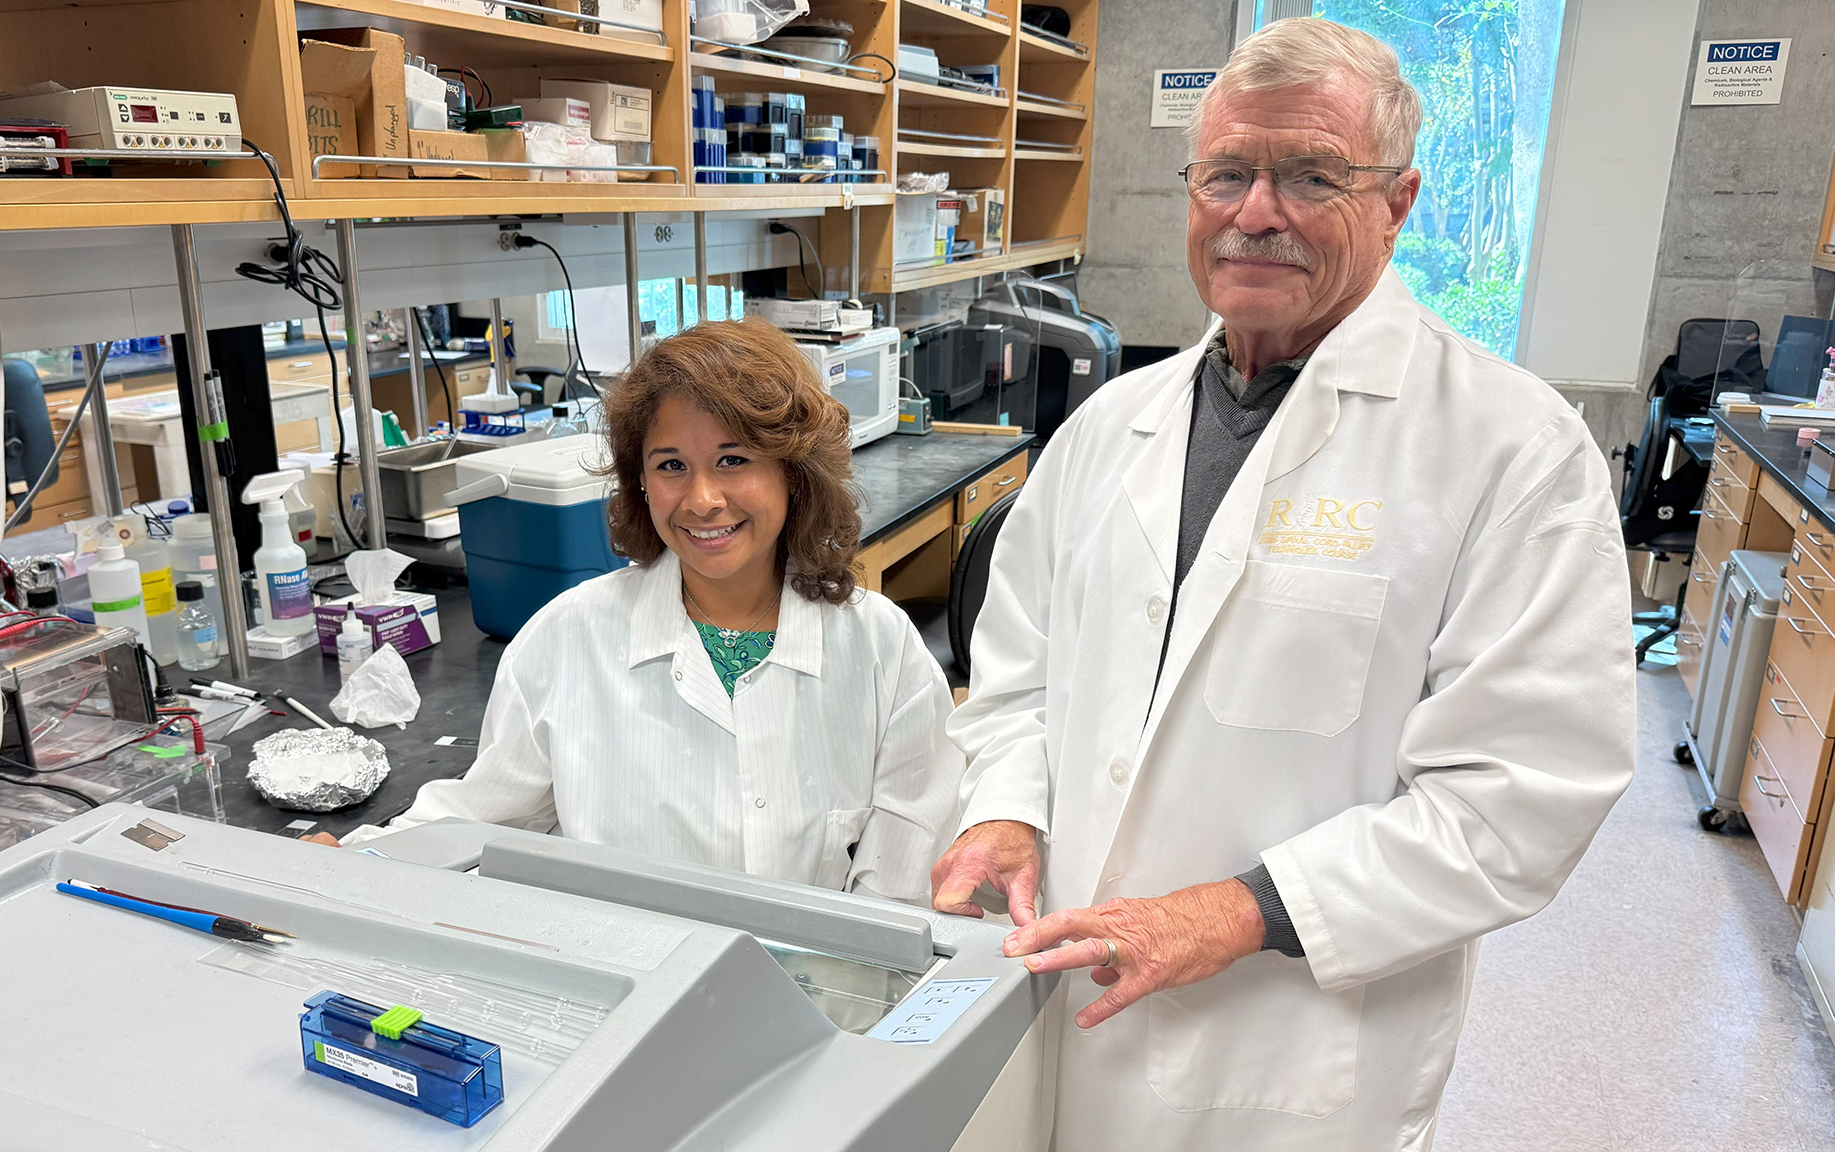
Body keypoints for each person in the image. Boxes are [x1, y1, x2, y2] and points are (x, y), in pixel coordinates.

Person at [928, 17, 1634, 1149]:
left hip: (1282, 1052)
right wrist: (1007, 810)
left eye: (1309, 175)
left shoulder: (1507, 450)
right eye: (1225, 174)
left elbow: (1519, 798)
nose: (1254, 211)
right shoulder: (1111, 426)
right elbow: (1015, 677)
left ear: (1394, 205)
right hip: (1063, 998)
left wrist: (1240, 911)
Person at [322, 319, 963, 905]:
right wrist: (353, 860)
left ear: (793, 474)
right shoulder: (567, 639)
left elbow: (899, 889)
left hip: (822, 1003)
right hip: (625, 994)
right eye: (671, 466)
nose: (702, 499)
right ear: (641, 483)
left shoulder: (881, 649)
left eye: (733, 460)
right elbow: (478, 817)